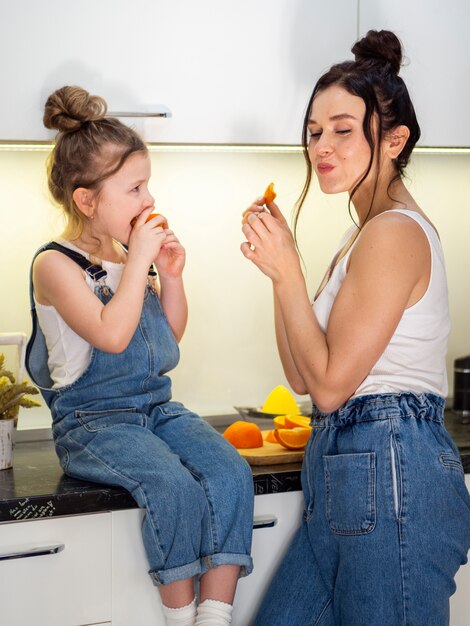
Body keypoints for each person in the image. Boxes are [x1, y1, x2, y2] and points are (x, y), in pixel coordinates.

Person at [241, 30, 470, 626]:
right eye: (315, 130)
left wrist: (291, 273)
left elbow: (332, 385)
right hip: (344, 463)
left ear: (394, 140)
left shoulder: (394, 233)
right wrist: (279, 270)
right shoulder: (360, 235)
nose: (322, 145)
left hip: (394, 464)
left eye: (344, 129)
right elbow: (302, 372)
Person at [26, 85, 254, 626]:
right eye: (134, 188)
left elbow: (166, 341)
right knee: (169, 485)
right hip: (94, 423)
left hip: (156, 410)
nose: (148, 200)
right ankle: (181, 618)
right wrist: (139, 268)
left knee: (229, 471)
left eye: (147, 185)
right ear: (87, 200)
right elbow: (111, 335)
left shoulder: (131, 255)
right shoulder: (55, 266)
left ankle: (215, 614)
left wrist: (170, 277)